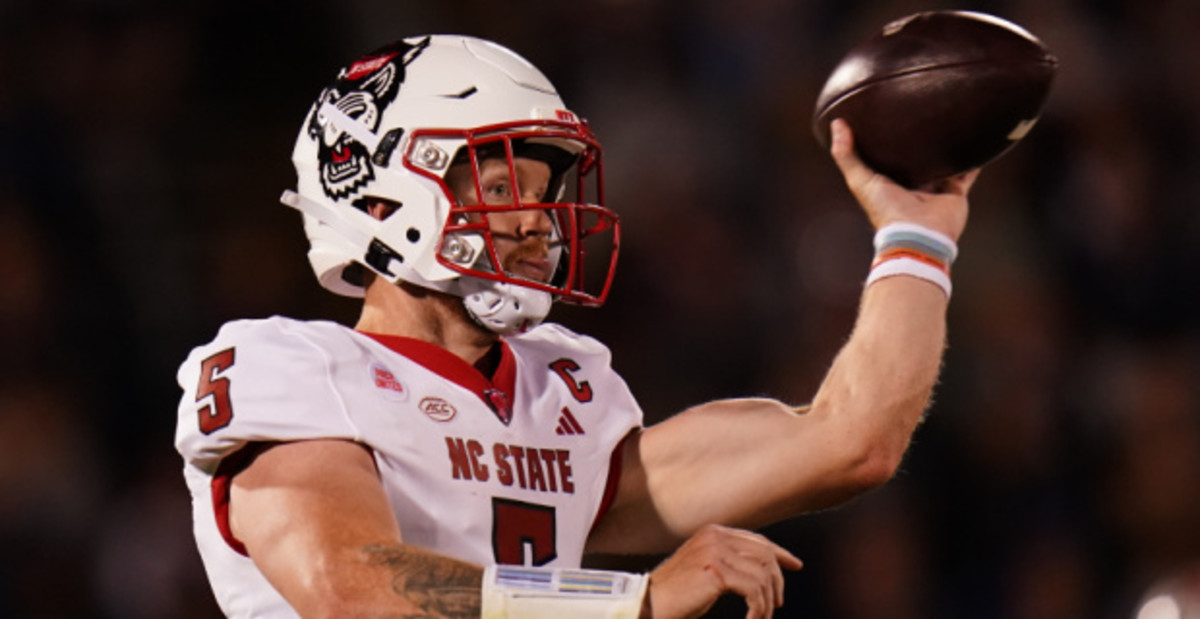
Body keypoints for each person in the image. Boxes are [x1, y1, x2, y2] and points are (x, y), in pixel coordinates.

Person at [175, 35, 978, 618]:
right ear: (380, 197)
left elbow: (850, 440)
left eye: (540, 189)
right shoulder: (287, 364)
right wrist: (636, 601)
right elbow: (351, 588)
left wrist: (919, 237)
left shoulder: (562, 392)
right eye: (496, 181)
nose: (533, 220)